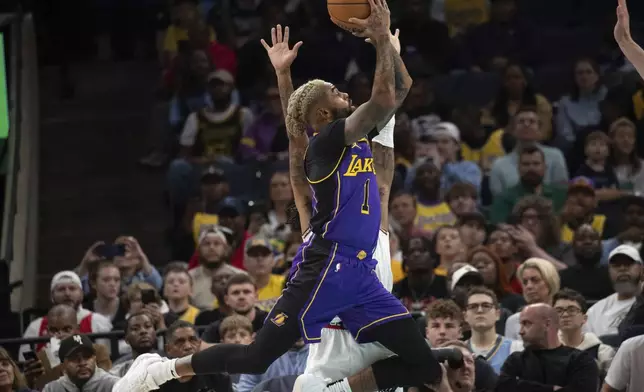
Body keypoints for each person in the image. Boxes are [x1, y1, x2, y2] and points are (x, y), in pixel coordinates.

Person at [113, 7, 443, 392]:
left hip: (361, 275)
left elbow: (398, 93)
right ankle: (160, 371)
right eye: (336, 92)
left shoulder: (357, 148)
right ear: (322, 113)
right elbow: (373, 103)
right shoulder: (327, 144)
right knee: (256, 357)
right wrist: (381, 36)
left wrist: (388, 46)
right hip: (327, 267)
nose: (345, 92)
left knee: (426, 366)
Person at [497, 304, 599, 392]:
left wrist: (522, 386)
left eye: (526, 324)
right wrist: (551, 389)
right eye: (521, 324)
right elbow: (502, 386)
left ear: (547, 324)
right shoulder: (516, 360)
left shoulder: (580, 360)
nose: (520, 331)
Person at [553, 289, 615, 379]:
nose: (565, 315)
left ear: (584, 318)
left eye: (572, 310)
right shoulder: (546, 349)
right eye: (559, 311)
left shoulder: (602, 352)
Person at [464, 287, 522, 374]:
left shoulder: (517, 348)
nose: (480, 310)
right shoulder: (459, 351)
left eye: (486, 306)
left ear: (497, 314)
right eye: (473, 306)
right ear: (465, 316)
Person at [42, 335, 120, 392]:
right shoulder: (52, 389)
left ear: (94, 358)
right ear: (63, 364)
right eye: (74, 358)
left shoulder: (114, 385)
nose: (82, 363)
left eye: (87, 356)